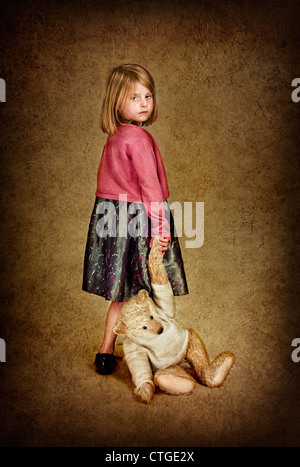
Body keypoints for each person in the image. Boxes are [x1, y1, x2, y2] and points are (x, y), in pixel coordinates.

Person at [82, 64, 188, 375]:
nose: (144, 103)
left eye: (148, 96)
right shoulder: (138, 140)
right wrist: (162, 228)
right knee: (152, 286)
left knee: (122, 292)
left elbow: (107, 187)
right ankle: (159, 351)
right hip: (139, 222)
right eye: (134, 97)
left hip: (113, 219)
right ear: (117, 103)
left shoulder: (115, 137)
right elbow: (151, 191)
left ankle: (106, 351)